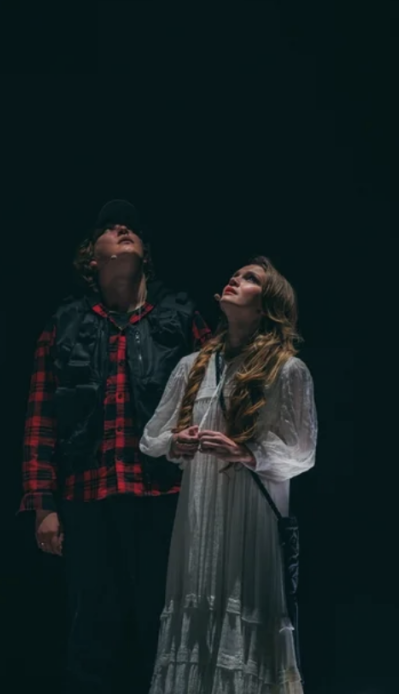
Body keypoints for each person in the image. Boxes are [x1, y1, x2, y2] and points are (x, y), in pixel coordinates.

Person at [18, 200, 212, 694]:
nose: (123, 229)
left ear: (146, 254)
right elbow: (41, 419)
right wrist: (43, 504)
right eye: (109, 228)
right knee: (92, 631)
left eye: (131, 229)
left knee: (163, 624)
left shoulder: (181, 317)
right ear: (92, 258)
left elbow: (214, 402)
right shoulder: (64, 324)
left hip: (164, 496)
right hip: (88, 497)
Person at [139, 256, 317, 694]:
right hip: (201, 519)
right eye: (235, 274)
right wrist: (177, 443)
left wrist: (246, 452)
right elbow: (152, 436)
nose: (235, 278)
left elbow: (302, 452)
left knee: (246, 617)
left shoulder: (287, 370)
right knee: (197, 619)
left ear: (266, 305)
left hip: (251, 518)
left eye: (250, 278)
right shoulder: (193, 366)